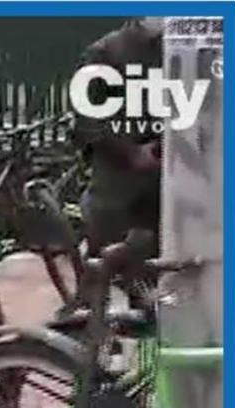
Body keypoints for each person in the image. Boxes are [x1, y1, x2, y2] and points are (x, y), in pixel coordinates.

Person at [72, 18, 164, 266]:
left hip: (171, 187)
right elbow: (89, 121)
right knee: (109, 265)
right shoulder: (105, 53)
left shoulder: (181, 50)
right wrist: (132, 153)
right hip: (119, 187)